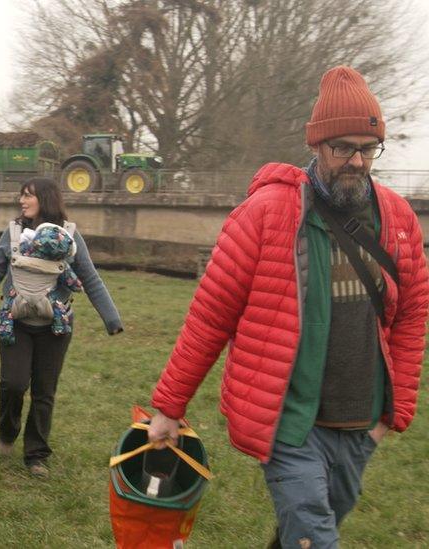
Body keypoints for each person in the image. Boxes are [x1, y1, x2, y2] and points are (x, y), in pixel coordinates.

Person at [146, 66, 428, 548]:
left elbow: (412, 315)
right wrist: (169, 407)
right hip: (289, 425)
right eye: (343, 147)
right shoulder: (265, 215)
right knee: (315, 538)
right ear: (316, 146)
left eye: (368, 148)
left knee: (306, 531)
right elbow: (210, 317)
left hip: (360, 425)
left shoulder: (398, 218)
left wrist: (392, 413)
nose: (357, 161)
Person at [0, 177, 123, 477]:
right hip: (14, 323)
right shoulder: (13, 233)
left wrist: (112, 319)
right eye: (21, 195)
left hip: (55, 327)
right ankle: (8, 429)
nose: (22, 200)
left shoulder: (69, 236)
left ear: (46, 198)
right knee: (13, 384)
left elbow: (90, 279)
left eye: (28, 195)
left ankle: (36, 455)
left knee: (45, 391)